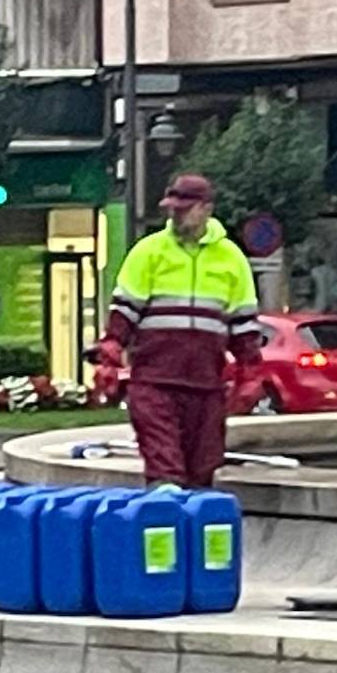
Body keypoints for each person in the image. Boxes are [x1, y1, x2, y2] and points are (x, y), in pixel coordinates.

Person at [87, 174, 263, 489]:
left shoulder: (232, 259)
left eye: (185, 207)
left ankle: (189, 534)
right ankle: (164, 526)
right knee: (165, 472)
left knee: (202, 473)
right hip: (154, 382)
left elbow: (243, 324)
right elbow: (124, 311)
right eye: (173, 207)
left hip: (205, 385)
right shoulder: (149, 252)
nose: (176, 213)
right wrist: (111, 351)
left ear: (207, 208)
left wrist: (250, 373)